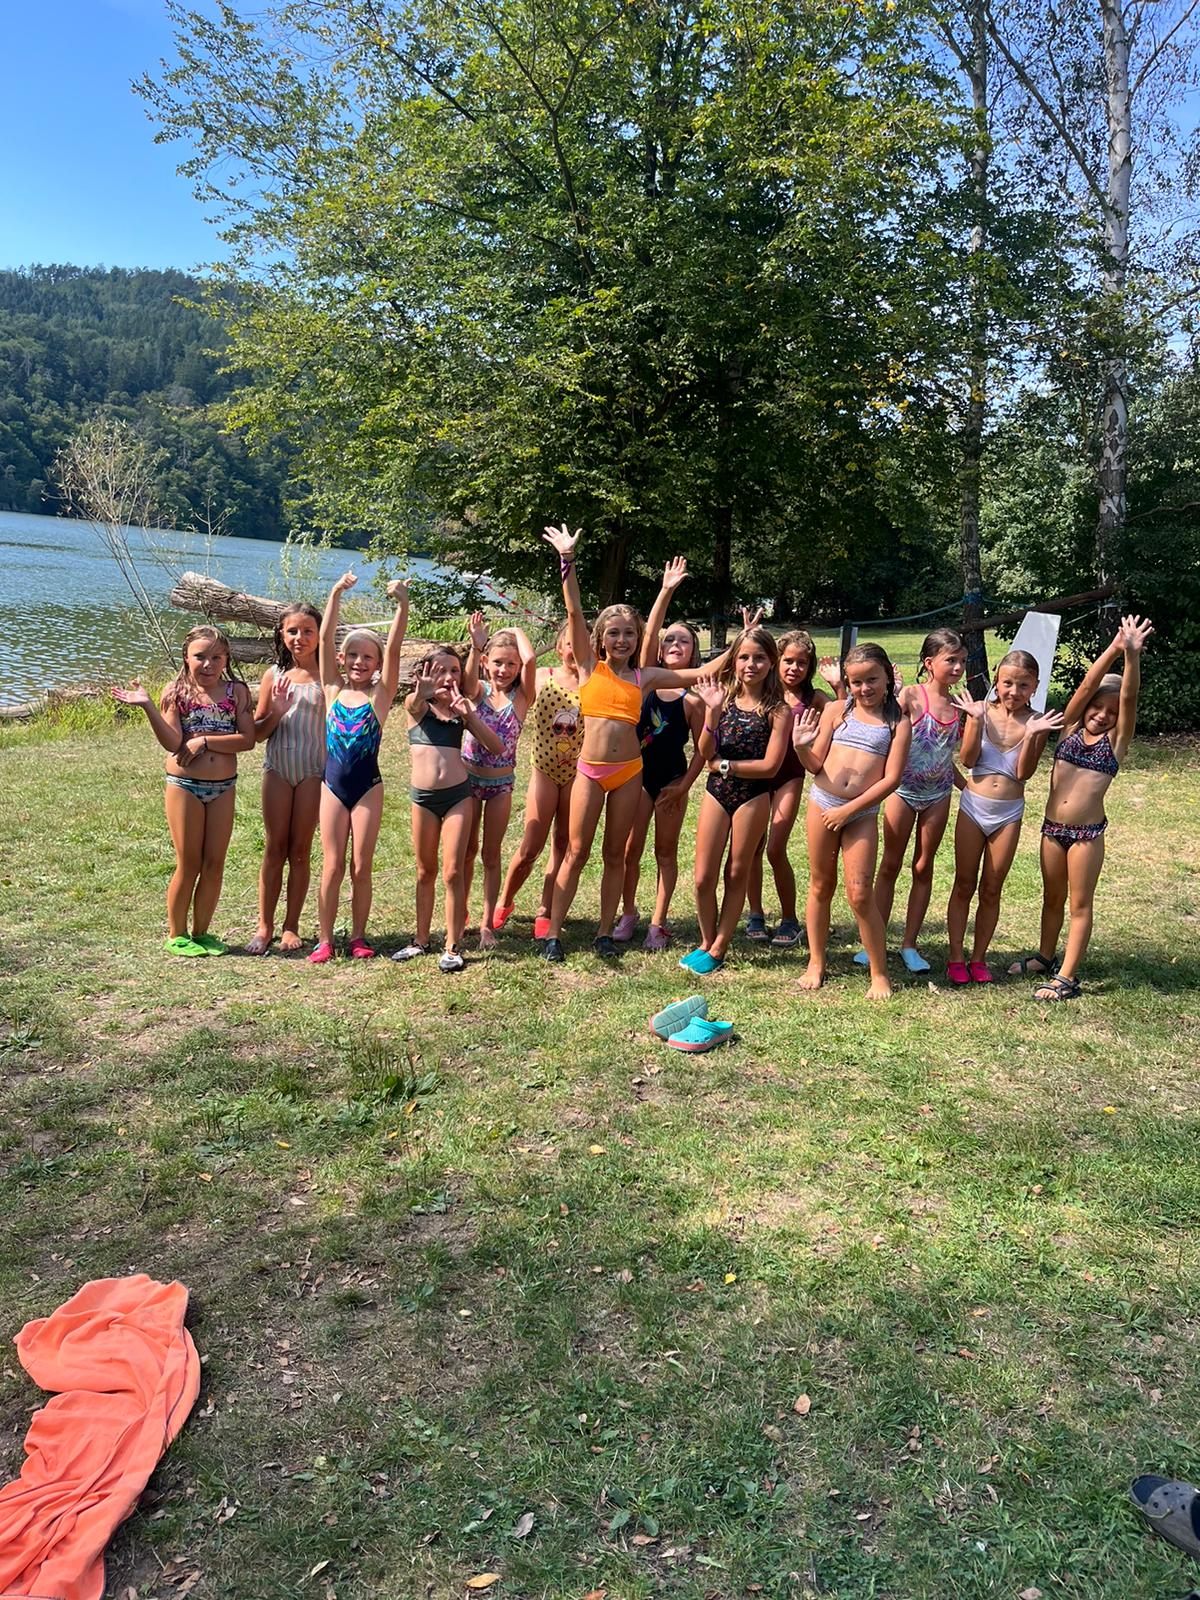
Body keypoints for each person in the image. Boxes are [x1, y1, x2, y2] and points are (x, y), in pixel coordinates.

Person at [538, 523, 735, 962]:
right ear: (600, 638)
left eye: (629, 633)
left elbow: (701, 673)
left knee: (615, 854)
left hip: (629, 773)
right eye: (614, 633)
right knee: (576, 851)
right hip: (590, 771)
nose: (622, 640)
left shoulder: (645, 678)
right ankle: (553, 934)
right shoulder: (589, 666)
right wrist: (567, 560)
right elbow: (574, 612)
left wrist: (742, 643)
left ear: (638, 637)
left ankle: (604, 933)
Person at [1009, 614, 1153, 1001]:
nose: (1102, 714)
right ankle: (1045, 957)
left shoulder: (1116, 743)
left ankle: (1067, 977)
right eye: (1096, 707)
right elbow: (1088, 684)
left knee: (1079, 903)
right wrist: (1113, 648)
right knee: (1051, 897)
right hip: (1052, 829)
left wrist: (1131, 656)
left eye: (1111, 712)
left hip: (1086, 835)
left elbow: (1129, 697)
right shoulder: (1069, 728)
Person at [112, 625, 255, 956]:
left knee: (215, 863)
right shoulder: (176, 691)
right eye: (200, 656)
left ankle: (202, 932)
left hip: (223, 787)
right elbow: (173, 742)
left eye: (216, 657)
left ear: (226, 658)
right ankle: (177, 934)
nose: (208, 664)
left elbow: (247, 740)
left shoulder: (237, 692)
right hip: (185, 786)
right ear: (186, 657)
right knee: (189, 862)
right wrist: (149, 707)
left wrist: (204, 741)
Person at [790, 644, 912, 999]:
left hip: (861, 813)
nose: (864, 688)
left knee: (860, 893)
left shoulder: (897, 723)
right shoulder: (835, 710)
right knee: (820, 885)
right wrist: (801, 747)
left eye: (872, 680)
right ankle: (816, 962)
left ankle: (879, 973)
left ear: (888, 676)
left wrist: (848, 810)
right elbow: (815, 764)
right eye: (856, 682)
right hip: (823, 803)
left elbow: (892, 779)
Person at [308, 571, 410, 964]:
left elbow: (395, 648)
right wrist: (335, 593)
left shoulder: (380, 696)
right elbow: (325, 638)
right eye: (352, 655)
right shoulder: (332, 689)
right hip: (332, 787)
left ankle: (358, 936)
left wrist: (402, 605)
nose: (359, 662)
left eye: (368, 657)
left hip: (368, 787)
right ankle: (325, 939)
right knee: (332, 865)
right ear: (341, 659)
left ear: (378, 664)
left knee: (361, 866)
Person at [944, 649, 1061, 984]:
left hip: (1008, 813)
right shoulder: (980, 711)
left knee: (992, 887)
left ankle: (979, 958)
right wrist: (975, 722)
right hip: (973, 806)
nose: (1014, 691)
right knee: (964, 883)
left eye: (1024, 685)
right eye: (1008, 683)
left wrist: (1033, 735)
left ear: (1035, 686)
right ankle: (956, 956)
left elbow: (1023, 773)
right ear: (997, 680)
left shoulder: (1037, 721)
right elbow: (968, 761)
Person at [855, 628, 966, 975]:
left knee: (923, 866)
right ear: (929, 663)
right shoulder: (911, 696)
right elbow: (884, 730)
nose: (958, 667)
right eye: (951, 660)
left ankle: (909, 944)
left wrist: (968, 786)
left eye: (962, 661)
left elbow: (945, 754)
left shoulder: (959, 705)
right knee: (890, 864)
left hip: (938, 795)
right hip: (902, 792)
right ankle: (873, 941)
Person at [680, 629, 792, 975]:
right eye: (743, 657)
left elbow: (770, 766)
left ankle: (720, 945)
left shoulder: (778, 710)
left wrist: (725, 766)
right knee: (703, 876)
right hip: (717, 792)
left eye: (759, 658)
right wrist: (712, 713)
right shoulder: (722, 699)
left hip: (753, 796)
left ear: (771, 662)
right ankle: (706, 940)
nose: (750, 664)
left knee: (736, 871)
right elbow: (705, 752)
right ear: (734, 660)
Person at [615, 558, 709, 951]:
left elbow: (704, 750)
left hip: (671, 781)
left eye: (682, 641)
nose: (673, 645)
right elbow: (651, 631)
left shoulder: (694, 700)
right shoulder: (645, 680)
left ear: (693, 653)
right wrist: (666, 590)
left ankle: (658, 921)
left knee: (665, 853)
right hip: (637, 778)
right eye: (670, 641)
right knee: (629, 850)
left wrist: (684, 786)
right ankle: (628, 912)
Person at [391, 647, 504, 972]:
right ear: (425, 674)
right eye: (440, 670)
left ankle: (453, 946)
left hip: (458, 797)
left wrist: (470, 716)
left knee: (453, 871)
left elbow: (496, 747)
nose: (449, 677)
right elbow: (413, 703)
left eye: (454, 670)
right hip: (424, 800)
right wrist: (421, 692)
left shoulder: (460, 711)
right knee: (425, 871)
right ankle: (421, 939)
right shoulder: (417, 707)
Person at [493, 622, 583, 941]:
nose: (576, 650)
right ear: (559, 647)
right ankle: (504, 900)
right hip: (544, 771)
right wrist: (514, 632)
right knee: (531, 845)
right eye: (570, 643)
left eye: (583, 644)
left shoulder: (594, 682)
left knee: (563, 844)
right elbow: (517, 668)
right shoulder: (543, 677)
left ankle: (546, 909)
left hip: (577, 775)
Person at [744, 630, 831, 948]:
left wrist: (837, 686)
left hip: (789, 778)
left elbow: (843, 713)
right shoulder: (762, 692)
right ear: (776, 661)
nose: (794, 668)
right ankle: (755, 913)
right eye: (788, 661)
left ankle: (790, 918)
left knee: (775, 848)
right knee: (752, 847)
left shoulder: (814, 698)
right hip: (756, 776)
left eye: (802, 663)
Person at [247, 603, 325, 954]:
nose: (300, 638)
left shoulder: (329, 677)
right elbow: (258, 733)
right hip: (278, 768)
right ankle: (264, 926)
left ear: (320, 635)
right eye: (292, 631)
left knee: (300, 851)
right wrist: (276, 712)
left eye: (308, 631)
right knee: (274, 847)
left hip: (313, 771)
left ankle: (291, 926)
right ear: (282, 633)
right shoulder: (274, 675)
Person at [459, 616, 539, 948]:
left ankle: (487, 924)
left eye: (510, 664)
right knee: (467, 850)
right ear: (485, 663)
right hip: (467, 781)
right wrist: (477, 644)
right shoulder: (478, 691)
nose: (503, 670)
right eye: (497, 663)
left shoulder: (522, 698)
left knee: (490, 855)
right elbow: (466, 685)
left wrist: (515, 629)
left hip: (500, 786)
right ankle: (460, 913)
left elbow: (531, 660)